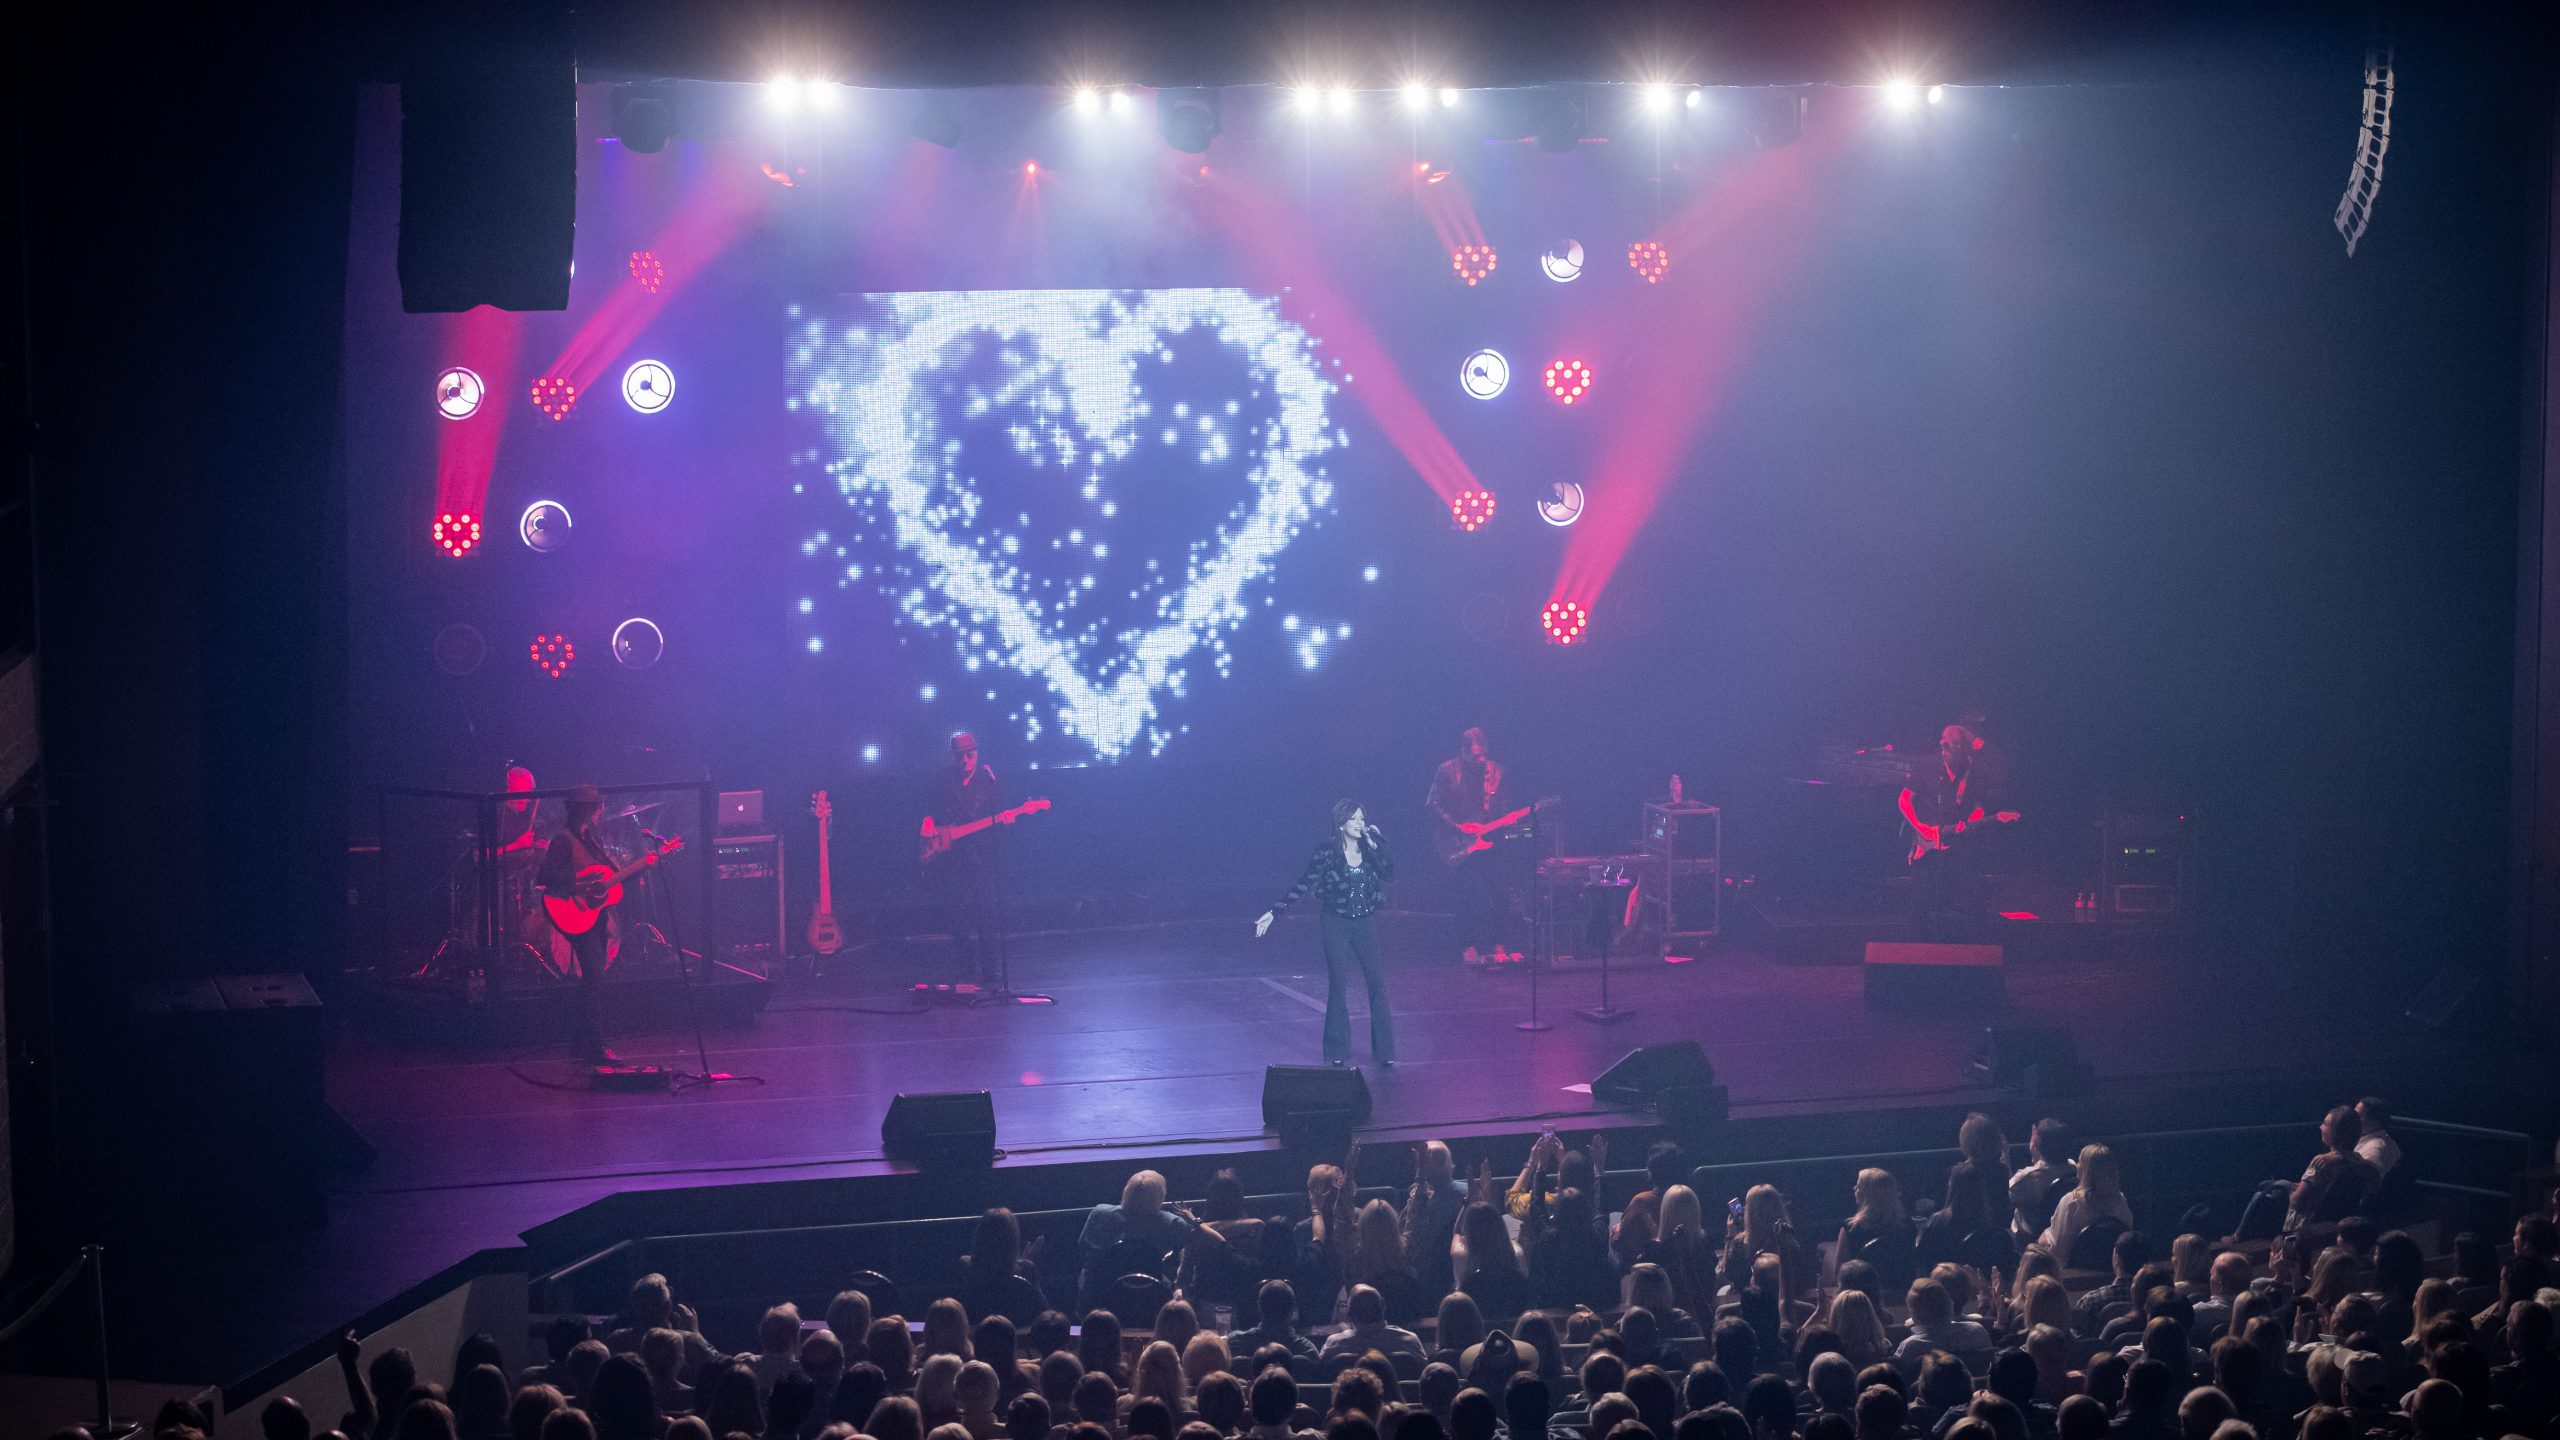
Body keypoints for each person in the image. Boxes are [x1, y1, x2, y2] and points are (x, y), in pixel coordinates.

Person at [1255, 800, 1397, 1068]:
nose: (1360, 823)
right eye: (1354, 819)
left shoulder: (1370, 850)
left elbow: (1389, 874)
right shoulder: (1327, 852)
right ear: (1341, 824)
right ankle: (1336, 1050)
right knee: (1339, 984)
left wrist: (1378, 848)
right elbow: (1304, 882)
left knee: (1377, 982)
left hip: (1365, 922)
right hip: (1336, 923)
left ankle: (1385, 1051)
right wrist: (1275, 912)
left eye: (1362, 818)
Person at [537, 784, 647, 1063]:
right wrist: (578, 886)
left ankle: (580, 1044)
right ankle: (595, 1047)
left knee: (593, 978)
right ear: (589, 811)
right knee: (594, 978)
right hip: (574, 913)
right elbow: (544, 876)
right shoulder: (564, 840)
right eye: (597, 807)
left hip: (593, 915)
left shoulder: (591, 839)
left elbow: (609, 879)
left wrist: (641, 867)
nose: (600, 811)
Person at [1896, 723, 2015, 938]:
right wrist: (1919, 827)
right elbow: (1904, 799)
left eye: (1963, 753)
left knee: (1971, 893)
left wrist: (1973, 820)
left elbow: (1977, 805)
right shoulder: (1927, 766)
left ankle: (1968, 949)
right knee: (1921, 898)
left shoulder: (1973, 769)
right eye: (1953, 751)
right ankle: (1915, 949)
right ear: (1944, 747)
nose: (1958, 758)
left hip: (1957, 841)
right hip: (1927, 842)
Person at [922, 731, 1010, 983]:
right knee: (959, 917)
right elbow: (929, 809)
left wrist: (1006, 819)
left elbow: (1001, 812)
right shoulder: (944, 779)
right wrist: (928, 823)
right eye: (960, 756)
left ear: (977, 753)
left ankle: (991, 971)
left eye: (969, 754)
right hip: (953, 857)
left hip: (981, 857)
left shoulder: (988, 780)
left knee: (987, 916)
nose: (965, 760)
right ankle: (966, 970)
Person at [1426, 728, 1510, 968]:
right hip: (1459, 842)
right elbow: (1433, 805)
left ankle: (1498, 943)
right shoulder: (1446, 771)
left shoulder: (1496, 771)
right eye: (1475, 756)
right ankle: (1468, 945)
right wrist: (1459, 827)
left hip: (1490, 840)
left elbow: (1503, 803)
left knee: (1501, 895)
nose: (1480, 760)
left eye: (1483, 754)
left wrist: (1498, 820)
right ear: (1463, 751)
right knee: (1469, 897)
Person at [2285, 1107, 2382, 1233]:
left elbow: (2298, 1202)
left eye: (2325, 1124)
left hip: (2309, 1229)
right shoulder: (2358, 1160)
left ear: (2336, 1132)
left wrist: (2290, 1194)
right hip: (2337, 1224)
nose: (2320, 1127)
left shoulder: (2321, 1161)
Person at [2038, 1144, 2133, 1268]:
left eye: (2079, 1161)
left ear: (2086, 1170)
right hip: (2110, 1268)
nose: (2077, 1164)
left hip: (2074, 1271)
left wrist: (2044, 1239)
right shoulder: (2120, 1200)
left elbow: (2059, 1250)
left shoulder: (2072, 1202)